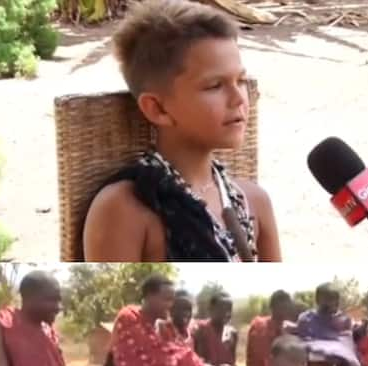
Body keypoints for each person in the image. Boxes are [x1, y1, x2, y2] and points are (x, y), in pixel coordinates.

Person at [83, 0, 280, 262]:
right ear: (157, 109)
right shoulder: (126, 210)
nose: (239, 99)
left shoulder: (254, 201)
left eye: (241, 81)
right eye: (214, 86)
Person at [246, 290, 295, 366]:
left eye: (287, 307)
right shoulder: (260, 326)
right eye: (282, 307)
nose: (285, 310)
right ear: (272, 307)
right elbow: (263, 357)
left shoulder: (288, 328)